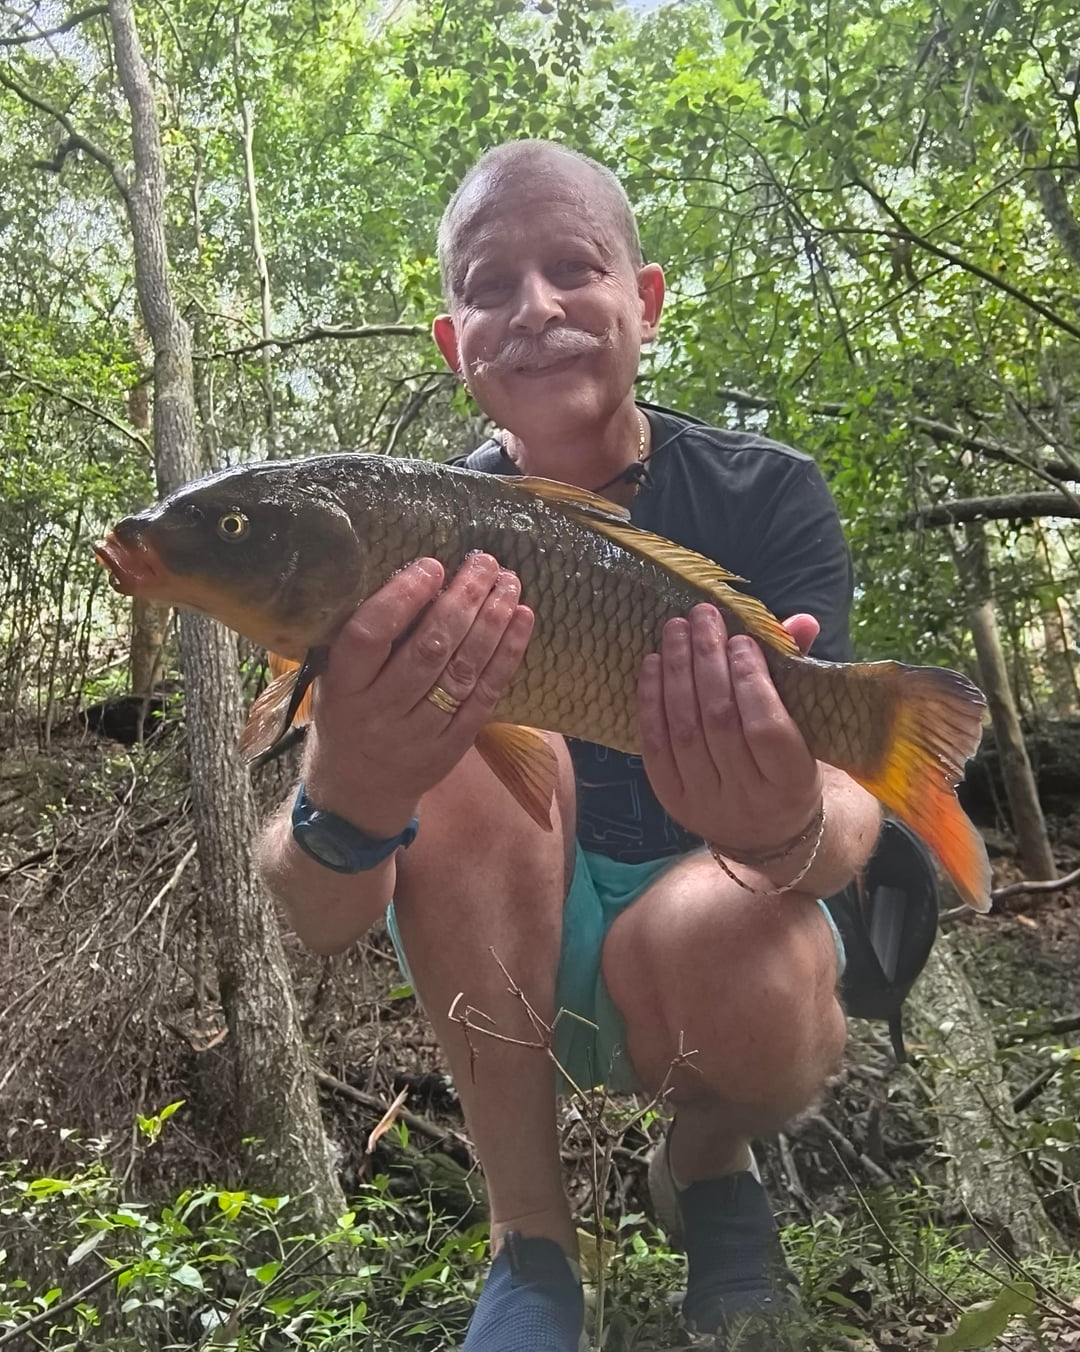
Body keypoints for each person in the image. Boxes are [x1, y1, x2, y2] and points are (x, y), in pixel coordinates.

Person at [255, 139, 883, 1351]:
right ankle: (530, 1243)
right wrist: (352, 784)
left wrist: (790, 824)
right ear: (455, 343)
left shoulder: (766, 493)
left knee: (758, 957)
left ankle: (707, 1165)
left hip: (699, 938)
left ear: (644, 300)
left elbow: (855, 810)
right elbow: (318, 915)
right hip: (506, 951)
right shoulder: (401, 534)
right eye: (490, 286)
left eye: (573, 269)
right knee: (449, 733)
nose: (535, 308)